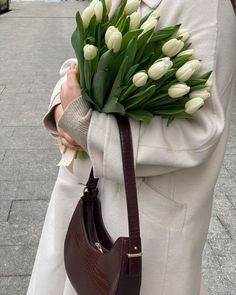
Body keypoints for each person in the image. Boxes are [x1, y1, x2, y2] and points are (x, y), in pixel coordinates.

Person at [26, 0, 236, 294]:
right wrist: (61, 109)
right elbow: (76, 64)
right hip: (83, 199)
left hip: (145, 224)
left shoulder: (206, 7)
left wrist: (88, 128)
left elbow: (200, 130)